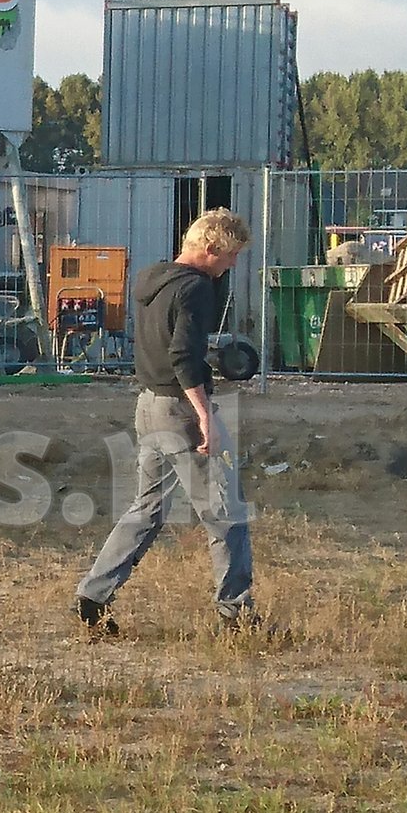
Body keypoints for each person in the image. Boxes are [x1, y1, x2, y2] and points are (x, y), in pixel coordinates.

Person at [75, 208, 260, 639]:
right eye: (230, 257)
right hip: (180, 409)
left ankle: (93, 597)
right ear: (212, 249)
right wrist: (205, 417)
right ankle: (237, 616)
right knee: (225, 512)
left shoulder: (152, 278)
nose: (231, 265)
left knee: (147, 509)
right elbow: (182, 355)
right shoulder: (196, 288)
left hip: (148, 405)